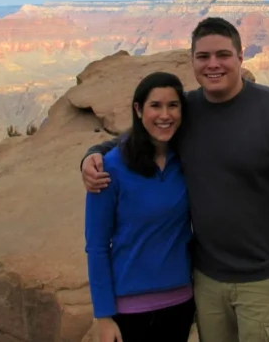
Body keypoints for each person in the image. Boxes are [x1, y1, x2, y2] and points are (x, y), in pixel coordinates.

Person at [81, 17, 269, 342]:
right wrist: (92, 154)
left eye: (223, 55)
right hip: (206, 281)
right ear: (193, 62)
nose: (213, 64)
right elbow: (144, 133)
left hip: (264, 281)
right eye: (203, 57)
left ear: (241, 57)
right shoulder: (188, 111)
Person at [84, 71, 197, 342]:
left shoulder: (185, 161)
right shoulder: (110, 167)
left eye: (173, 105)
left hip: (181, 302)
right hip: (129, 310)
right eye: (155, 105)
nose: (165, 115)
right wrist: (104, 315)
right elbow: (97, 246)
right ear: (138, 109)